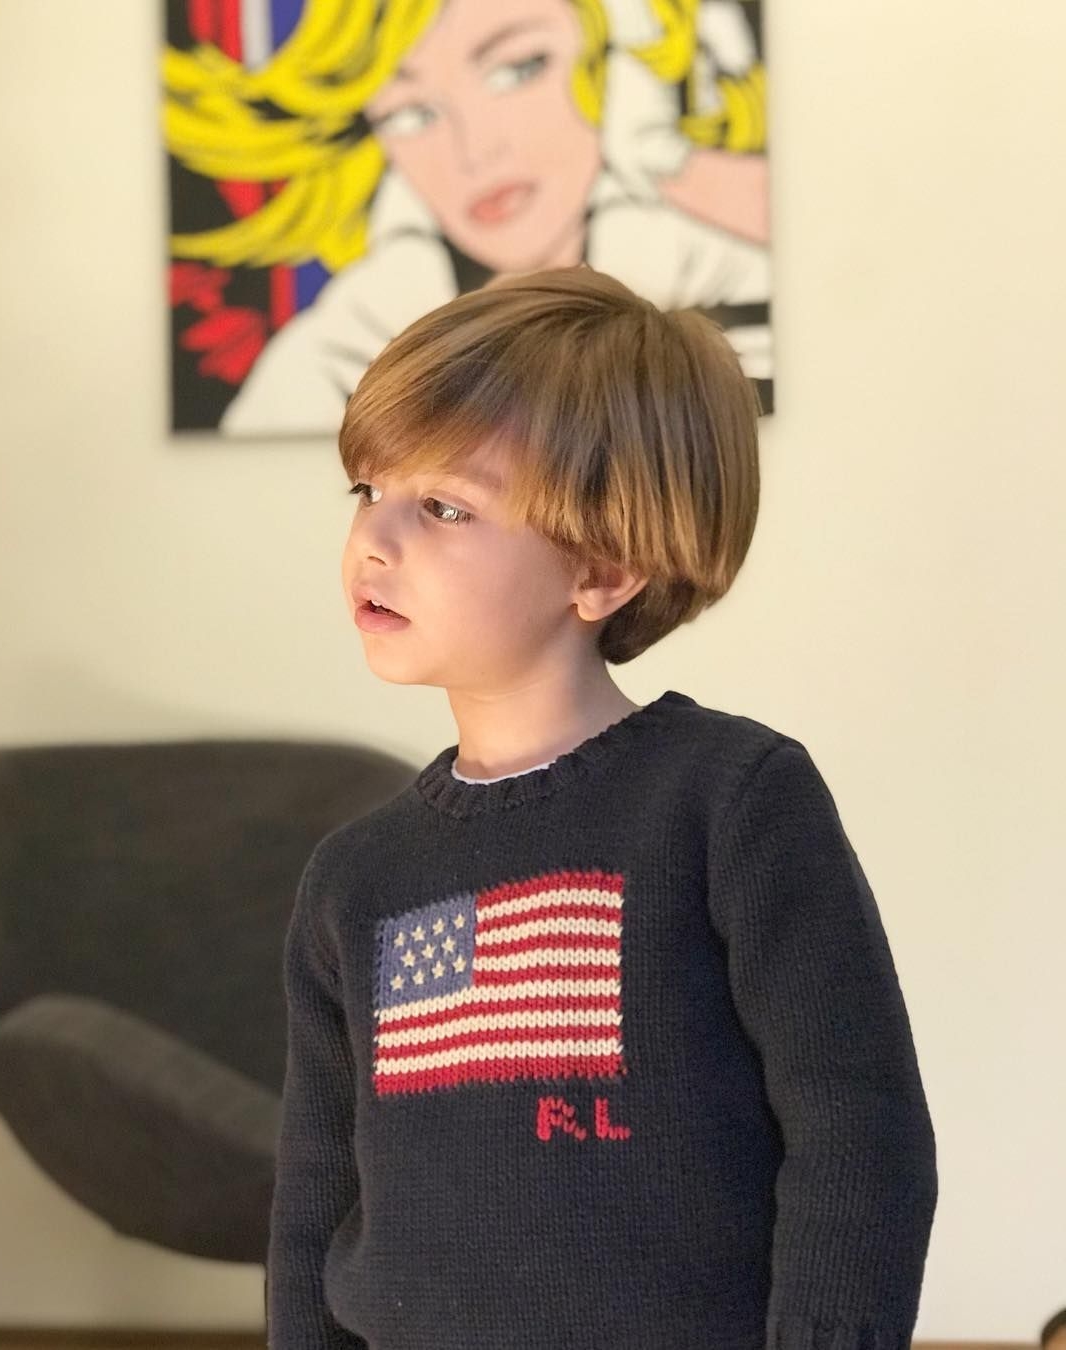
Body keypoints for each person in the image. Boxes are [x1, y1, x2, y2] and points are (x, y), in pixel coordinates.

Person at [266, 265, 938, 1349]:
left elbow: (860, 1135)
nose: (374, 541)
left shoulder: (731, 800)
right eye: (367, 491)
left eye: (443, 507)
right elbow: (315, 1195)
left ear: (603, 569)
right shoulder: (354, 876)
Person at [163, 0, 772, 435]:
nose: (476, 151)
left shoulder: (726, 290)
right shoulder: (333, 364)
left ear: (612, 66)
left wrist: (670, 160)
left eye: (518, 69)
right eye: (410, 114)